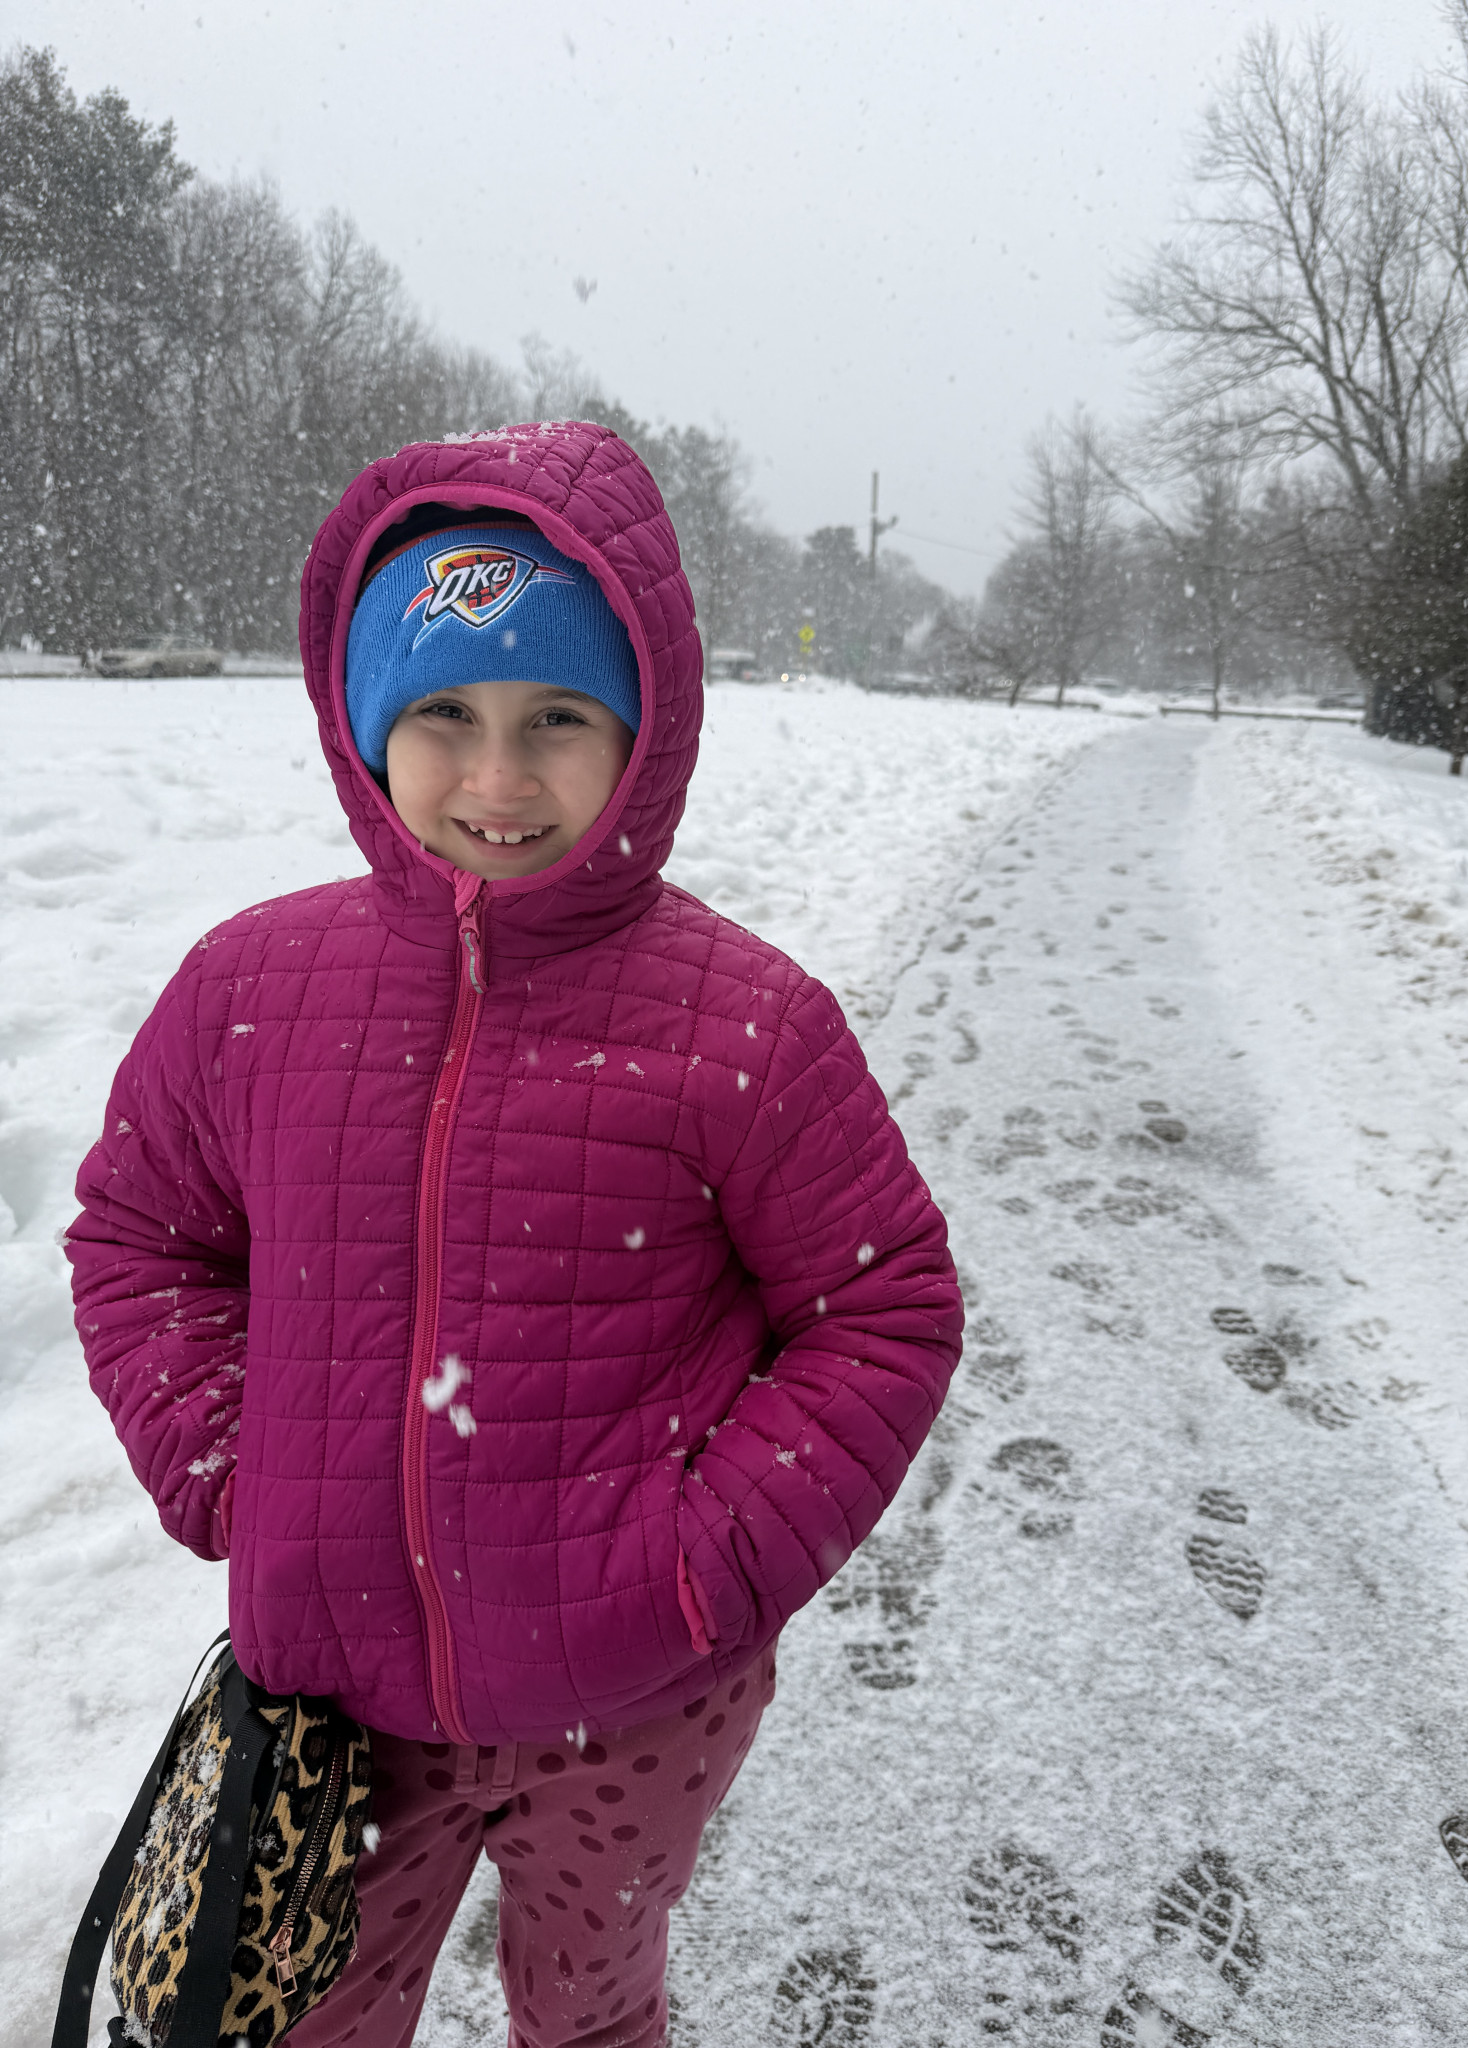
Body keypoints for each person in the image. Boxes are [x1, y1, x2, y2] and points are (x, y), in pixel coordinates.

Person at [66, 421, 963, 2048]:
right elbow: (142, 1233)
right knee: (305, 2012)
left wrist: (706, 1561)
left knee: (590, 2000)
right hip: (333, 1710)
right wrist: (229, 1467)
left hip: (638, 1708)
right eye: (445, 716)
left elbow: (880, 1308)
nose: (498, 779)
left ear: (643, 730)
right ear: (365, 729)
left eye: (557, 716)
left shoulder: (749, 1024)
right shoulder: (248, 991)